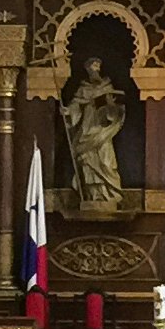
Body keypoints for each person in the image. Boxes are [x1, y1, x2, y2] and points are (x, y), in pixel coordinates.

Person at [60, 54, 130, 214]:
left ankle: (108, 194)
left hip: (102, 131)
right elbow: (75, 106)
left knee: (105, 162)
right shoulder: (83, 89)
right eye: (93, 67)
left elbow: (116, 112)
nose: (96, 70)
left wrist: (110, 106)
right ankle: (92, 196)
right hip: (87, 129)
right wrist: (68, 111)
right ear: (88, 69)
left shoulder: (107, 86)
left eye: (98, 67)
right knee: (87, 163)